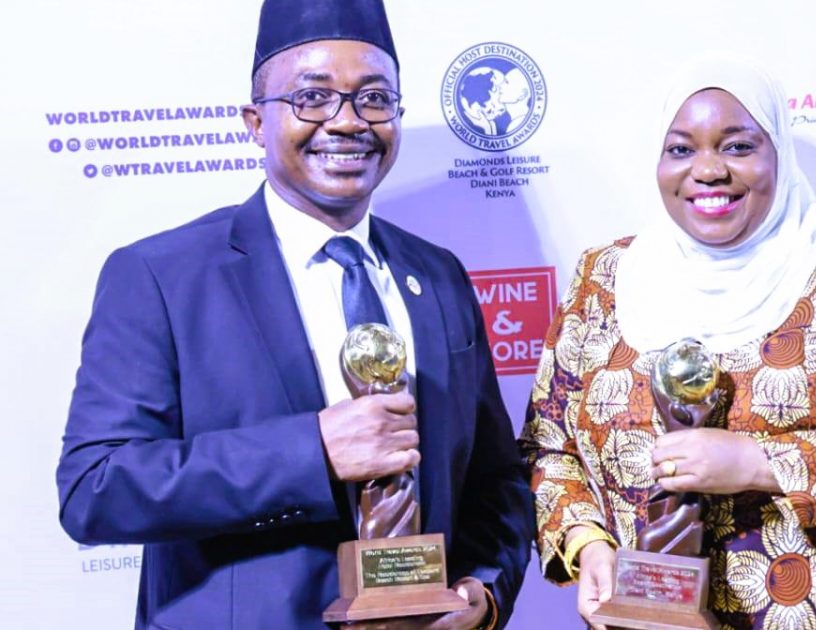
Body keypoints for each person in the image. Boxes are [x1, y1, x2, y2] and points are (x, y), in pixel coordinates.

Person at [55, 1, 534, 628]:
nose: (347, 121)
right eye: (312, 98)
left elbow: (497, 479)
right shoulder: (161, 276)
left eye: (374, 98)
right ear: (256, 122)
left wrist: (483, 592)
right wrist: (313, 451)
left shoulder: (438, 274)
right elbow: (95, 488)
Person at [520, 56, 816, 629]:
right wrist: (587, 543)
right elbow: (550, 447)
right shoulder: (604, 277)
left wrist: (761, 462)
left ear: (778, 155)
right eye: (681, 149)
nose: (708, 170)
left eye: (738, 147)